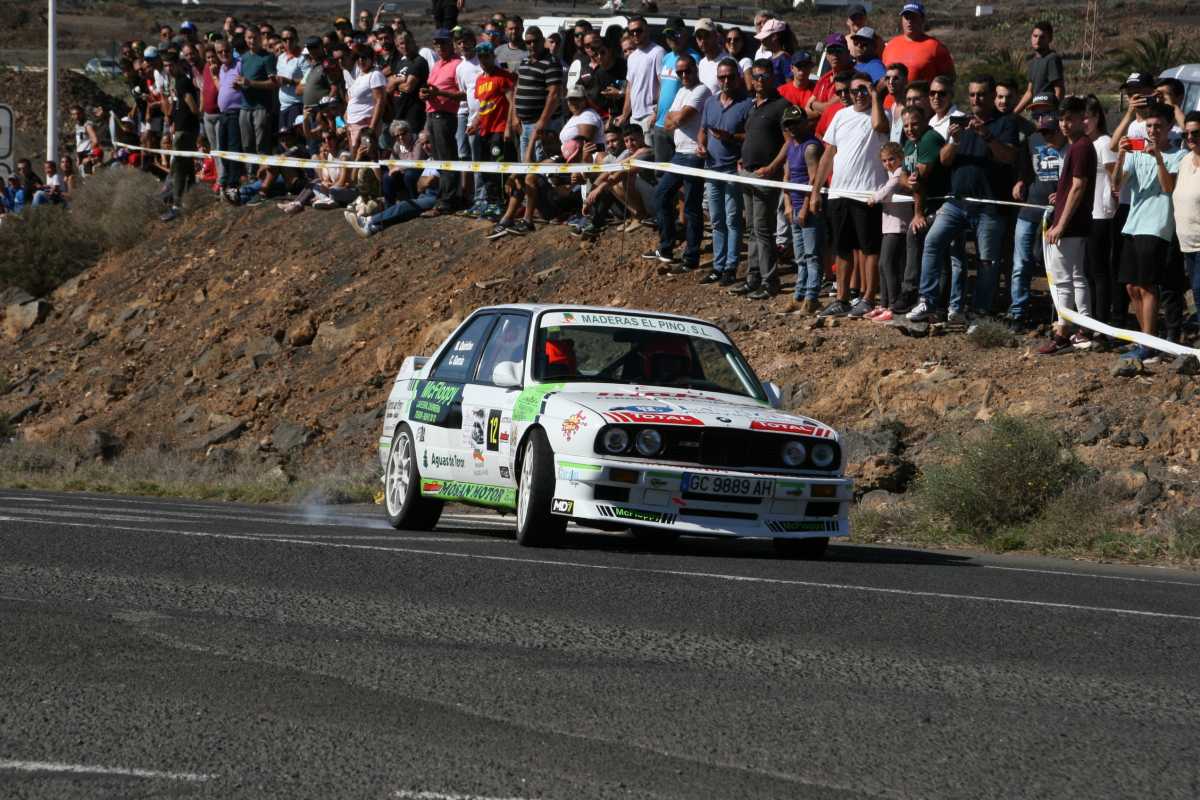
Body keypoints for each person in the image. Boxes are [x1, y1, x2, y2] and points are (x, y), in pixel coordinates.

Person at [909, 75, 1019, 324]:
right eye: (972, 94)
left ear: (992, 96)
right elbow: (945, 160)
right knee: (932, 242)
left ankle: (980, 312)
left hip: (990, 205)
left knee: (986, 261)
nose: (976, 99)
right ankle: (927, 300)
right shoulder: (962, 122)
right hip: (957, 202)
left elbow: (1009, 157)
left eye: (981, 94)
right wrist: (954, 140)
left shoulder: (1006, 122)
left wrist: (987, 135)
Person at [811, 72, 890, 317]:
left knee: (869, 248)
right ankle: (842, 298)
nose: (857, 95)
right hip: (839, 192)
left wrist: (875, 96)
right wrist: (816, 191)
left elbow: (879, 127)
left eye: (863, 89)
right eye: (853, 91)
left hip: (867, 193)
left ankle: (868, 298)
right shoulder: (840, 115)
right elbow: (828, 154)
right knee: (842, 248)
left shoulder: (882, 114)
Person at [1113, 103, 1186, 361]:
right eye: (1149, 126)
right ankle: (1146, 340)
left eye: (1158, 126)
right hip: (1133, 224)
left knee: (1147, 286)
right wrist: (1121, 156)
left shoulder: (1178, 155)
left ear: (1169, 128)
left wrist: (1158, 158)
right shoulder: (1136, 152)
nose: (1153, 130)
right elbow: (1117, 185)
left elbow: (1168, 188)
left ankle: (1149, 343)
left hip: (1156, 226)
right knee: (1131, 287)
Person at [1038, 96, 1097, 354]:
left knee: (1064, 279)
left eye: (1069, 119)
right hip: (1076, 221)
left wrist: (1061, 224)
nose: (1064, 124)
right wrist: (1060, 196)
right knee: (1075, 276)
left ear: (1082, 118)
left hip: (1071, 225)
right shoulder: (1078, 146)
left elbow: (1079, 186)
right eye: (1061, 119)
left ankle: (1063, 333)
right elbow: (1073, 186)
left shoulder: (1081, 147)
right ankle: (1083, 327)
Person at [643, 54, 709, 270]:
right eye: (680, 72)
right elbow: (667, 120)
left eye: (687, 71)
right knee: (661, 195)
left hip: (693, 155)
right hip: (679, 153)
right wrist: (675, 117)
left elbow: (678, 118)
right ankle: (667, 247)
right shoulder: (681, 91)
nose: (684, 75)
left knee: (691, 206)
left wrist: (675, 116)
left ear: (695, 69)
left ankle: (691, 257)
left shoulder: (701, 91)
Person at [730, 60, 789, 300]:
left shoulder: (782, 105)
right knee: (752, 228)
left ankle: (769, 281)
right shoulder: (753, 106)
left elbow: (789, 141)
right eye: (755, 76)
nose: (759, 81)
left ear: (772, 77)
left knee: (764, 229)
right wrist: (743, 157)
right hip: (747, 171)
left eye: (764, 76)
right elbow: (752, 136)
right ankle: (753, 277)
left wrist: (773, 166)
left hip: (766, 175)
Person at [1008, 94, 1067, 325]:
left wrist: (1062, 194)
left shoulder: (1068, 139)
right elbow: (1025, 168)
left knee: (1054, 265)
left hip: (1057, 213)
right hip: (1030, 208)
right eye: (1036, 115)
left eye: (1045, 113)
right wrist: (1020, 181)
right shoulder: (1032, 139)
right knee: (1020, 264)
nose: (1040, 119)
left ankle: (1059, 313)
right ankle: (1018, 312)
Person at [697, 57, 752, 287]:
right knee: (717, 219)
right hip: (712, 168)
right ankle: (718, 266)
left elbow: (751, 136)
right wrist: (701, 145)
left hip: (732, 170)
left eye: (730, 76)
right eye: (722, 77)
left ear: (738, 77)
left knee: (732, 219)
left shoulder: (746, 104)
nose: (726, 81)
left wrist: (731, 137)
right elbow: (703, 130)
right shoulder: (711, 102)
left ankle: (731, 266)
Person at [1084, 94, 1121, 334]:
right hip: (1087, 215)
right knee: (1088, 270)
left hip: (1102, 214)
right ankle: (1091, 320)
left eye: (1087, 117)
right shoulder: (1084, 143)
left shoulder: (1105, 143)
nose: (1084, 122)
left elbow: (1115, 178)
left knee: (1099, 271)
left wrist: (1112, 200)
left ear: (1097, 117)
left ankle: (1102, 322)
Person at [782, 105, 823, 314]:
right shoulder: (791, 145)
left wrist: (805, 208)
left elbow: (813, 180)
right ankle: (799, 295)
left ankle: (811, 297)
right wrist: (788, 204)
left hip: (808, 209)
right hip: (794, 207)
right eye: (788, 124)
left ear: (805, 122)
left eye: (795, 123)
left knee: (811, 255)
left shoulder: (811, 147)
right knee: (800, 257)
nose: (792, 128)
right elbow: (786, 176)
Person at [470, 40, 516, 212]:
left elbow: (512, 102)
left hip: (499, 128)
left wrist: (509, 127)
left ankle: (500, 202)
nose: (483, 60)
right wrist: (475, 123)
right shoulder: (479, 80)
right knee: (484, 166)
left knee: (498, 165)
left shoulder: (503, 76)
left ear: (492, 56)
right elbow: (482, 106)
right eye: (480, 57)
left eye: (486, 56)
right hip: (484, 130)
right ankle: (489, 200)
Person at [421, 29, 463, 214]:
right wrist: (424, 94)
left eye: (443, 43)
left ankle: (448, 201)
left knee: (447, 159)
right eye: (436, 44)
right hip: (432, 114)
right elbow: (431, 88)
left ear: (451, 43)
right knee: (439, 159)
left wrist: (439, 93)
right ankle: (444, 197)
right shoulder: (437, 64)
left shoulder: (458, 64)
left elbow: (463, 94)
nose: (439, 47)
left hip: (446, 116)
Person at [161, 47, 201, 221]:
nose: (168, 69)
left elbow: (192, 105)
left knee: (178, 167)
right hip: (181, 128)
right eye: (165, 66)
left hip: (185, 129)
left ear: (177, 64)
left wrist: (195, 119)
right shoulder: (177, 81)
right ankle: (192, 197)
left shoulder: (182, 82)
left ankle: (177, 204)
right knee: (187, 166)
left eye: (170, 65)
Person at [650, 18, 698, 163]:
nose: (672, 38)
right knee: (660, 170)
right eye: (668, 35)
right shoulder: (666, 58)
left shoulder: (694, 58)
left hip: (680, 125)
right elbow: (663, 87)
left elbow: (696, 90)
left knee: (680, 170)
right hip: (660, 123)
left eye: (676, 34)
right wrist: (656, 112)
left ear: (685, 34)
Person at [513, 27, 563, 163]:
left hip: (542, 125)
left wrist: (542, 121)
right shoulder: (524, 62)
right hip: (524, 125)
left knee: (540, 167)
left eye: (535, 41)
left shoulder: (551, 62)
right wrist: (515, 117)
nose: (532, 45)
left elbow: (554, 94)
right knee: (526, 166)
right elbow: (517, 89)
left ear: (543, 41)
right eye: (528, 42)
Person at [881, 2, 954, 84]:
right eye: (906, 17)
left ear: (922, 20)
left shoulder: (935, 47)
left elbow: (949, 79)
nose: (909, 21)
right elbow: (883, 77)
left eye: (913, 17)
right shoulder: (890, 45)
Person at [1175, 112, 1200, 333]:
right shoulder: (1184, 160)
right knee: (1195, 291)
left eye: (1196, 133)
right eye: (1186, 134)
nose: (1190, 137)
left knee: (1199, 290)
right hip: (1186, 242)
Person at [237, 27, 276, 154]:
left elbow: (273, 84)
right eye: (249, 38)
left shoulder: (268, 57)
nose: (252, 41)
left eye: (255, 37)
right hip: (245, 107)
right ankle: (249, 168)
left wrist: (250, 83)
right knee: (246, 145)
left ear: (260, 38)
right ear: (245, 39)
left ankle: (262, 167)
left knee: (261, 145)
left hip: (261, 107)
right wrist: (238, 85)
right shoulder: (243, 58)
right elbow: (242, 80)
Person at [214, 40, 245, 204]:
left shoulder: (239, 64)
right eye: (220, 52)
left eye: (226, 51)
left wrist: (242, 85)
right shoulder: (221, 69)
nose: (224, 54)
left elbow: (246, 83)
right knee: (223, 149)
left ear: (231, 50)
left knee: (234, 148)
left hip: (236, 112)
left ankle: (234, 184)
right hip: (223, 114)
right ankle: (226, 182)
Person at [1013, 21, 1064, 115]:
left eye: (1042, 37)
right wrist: (1014, 113)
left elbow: (1059, 90)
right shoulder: (1033, 62)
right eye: (1035, 36)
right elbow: (1029, 92)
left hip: (1048, 114)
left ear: (1050, 39)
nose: (1038, 40)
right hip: (1036, 112)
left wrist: (1054, 115)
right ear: (1031, 37)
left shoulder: (1052, 59)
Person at [345, 44, 387, 151]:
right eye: (357, 58)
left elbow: (380, 101)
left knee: (365, 156)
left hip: (365, 125)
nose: (360, 60)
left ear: (371, 59)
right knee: (357, 157)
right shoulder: (361, 76)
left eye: (364, 57)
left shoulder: (375, 74)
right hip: (353, 124)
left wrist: (371, 128)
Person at [389, 30, 429, 132]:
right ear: (397, 46)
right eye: (401, 44)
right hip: (398, 113)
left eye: (408, 42)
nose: (405, 46)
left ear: (413, 42)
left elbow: (408, 87)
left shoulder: (419, 61)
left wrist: (395, 82)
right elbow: (388, 87)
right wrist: (399, 81)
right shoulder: (400, 62)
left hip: (412, 115)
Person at [778, 51, 816, 115]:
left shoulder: (818, 90)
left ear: (810, 68)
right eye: (799, 65)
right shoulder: (781, 92)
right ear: (792, 68)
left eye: (806, 66)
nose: (802, 69)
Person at [693, 19, 724, 94]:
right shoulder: (701, 63)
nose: (703, 41)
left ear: (716, 36)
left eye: (706, 36)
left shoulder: (728, 62)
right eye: (699, 37)